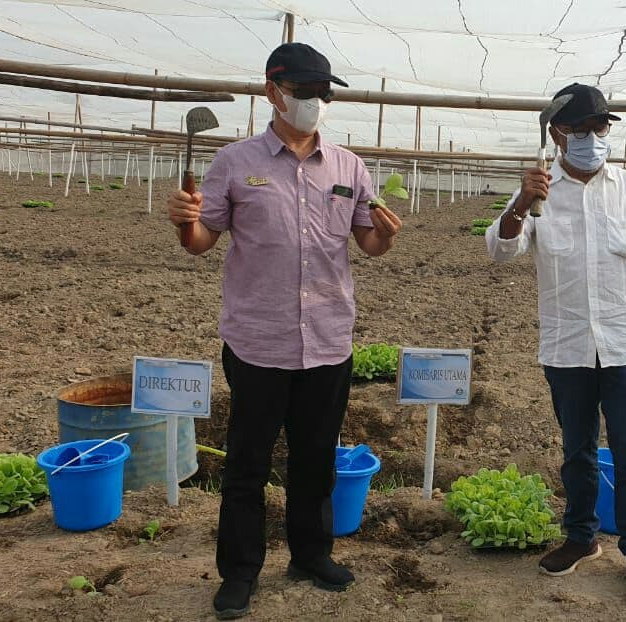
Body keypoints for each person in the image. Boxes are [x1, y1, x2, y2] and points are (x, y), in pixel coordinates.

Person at [166, 42, 402, 620]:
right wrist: (186, 223)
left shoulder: (348, 167)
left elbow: (367, 243)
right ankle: (240, 572)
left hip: (327, 340)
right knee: (247, 462)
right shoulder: (234, 162)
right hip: (258, 342)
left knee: (316, 458)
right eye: (303, 91)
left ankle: (310, 554)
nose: (315, 102)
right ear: (273, 92)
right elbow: (202, 243)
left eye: (323, 93)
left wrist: (387, 235)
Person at [486, 83, 626, 600]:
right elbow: (502, 251)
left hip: (624, 342)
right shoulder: (538, 189)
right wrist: (520, 205)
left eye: (601, 127)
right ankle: (581, 537)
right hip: (568, 343)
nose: (594, 137)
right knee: (576, 449)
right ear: (558, 134)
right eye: (582, 129)